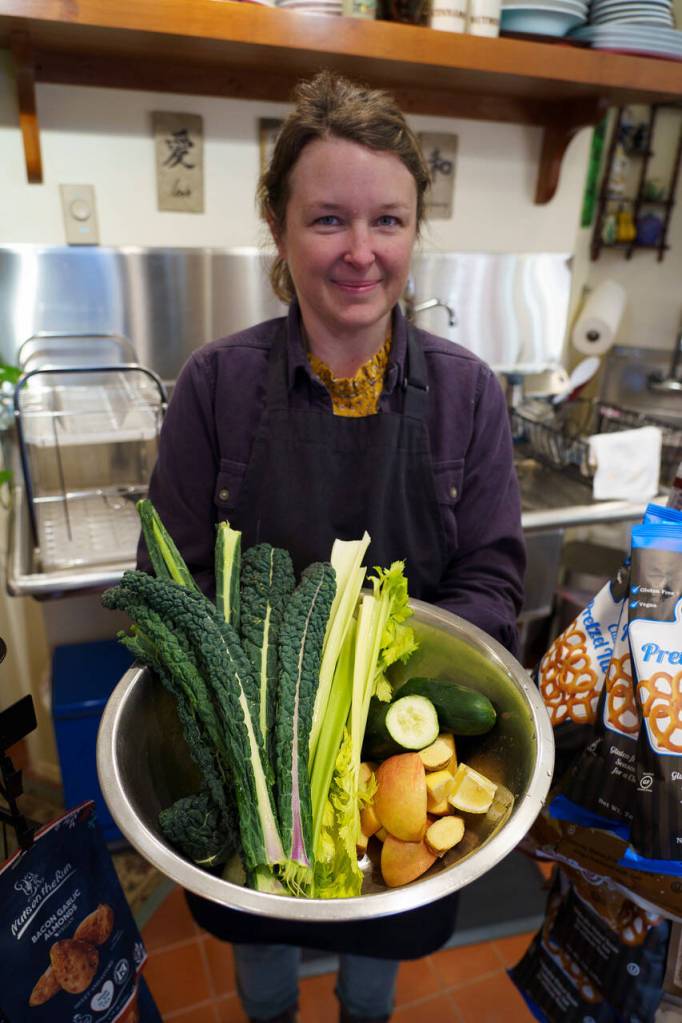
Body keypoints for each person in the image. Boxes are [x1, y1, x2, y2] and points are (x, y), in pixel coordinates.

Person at [140, 71, 525, 1023]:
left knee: (383, 940)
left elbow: (490, 577)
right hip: (254, 764)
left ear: (414, 231)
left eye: (388, 221)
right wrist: (266, 718)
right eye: (328, 221)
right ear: (277, 226)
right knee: (259, 934)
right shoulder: (215, 388)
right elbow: (170, 575)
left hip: (398, 765)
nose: (361, 254)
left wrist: (381, 692)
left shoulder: (471, 396)